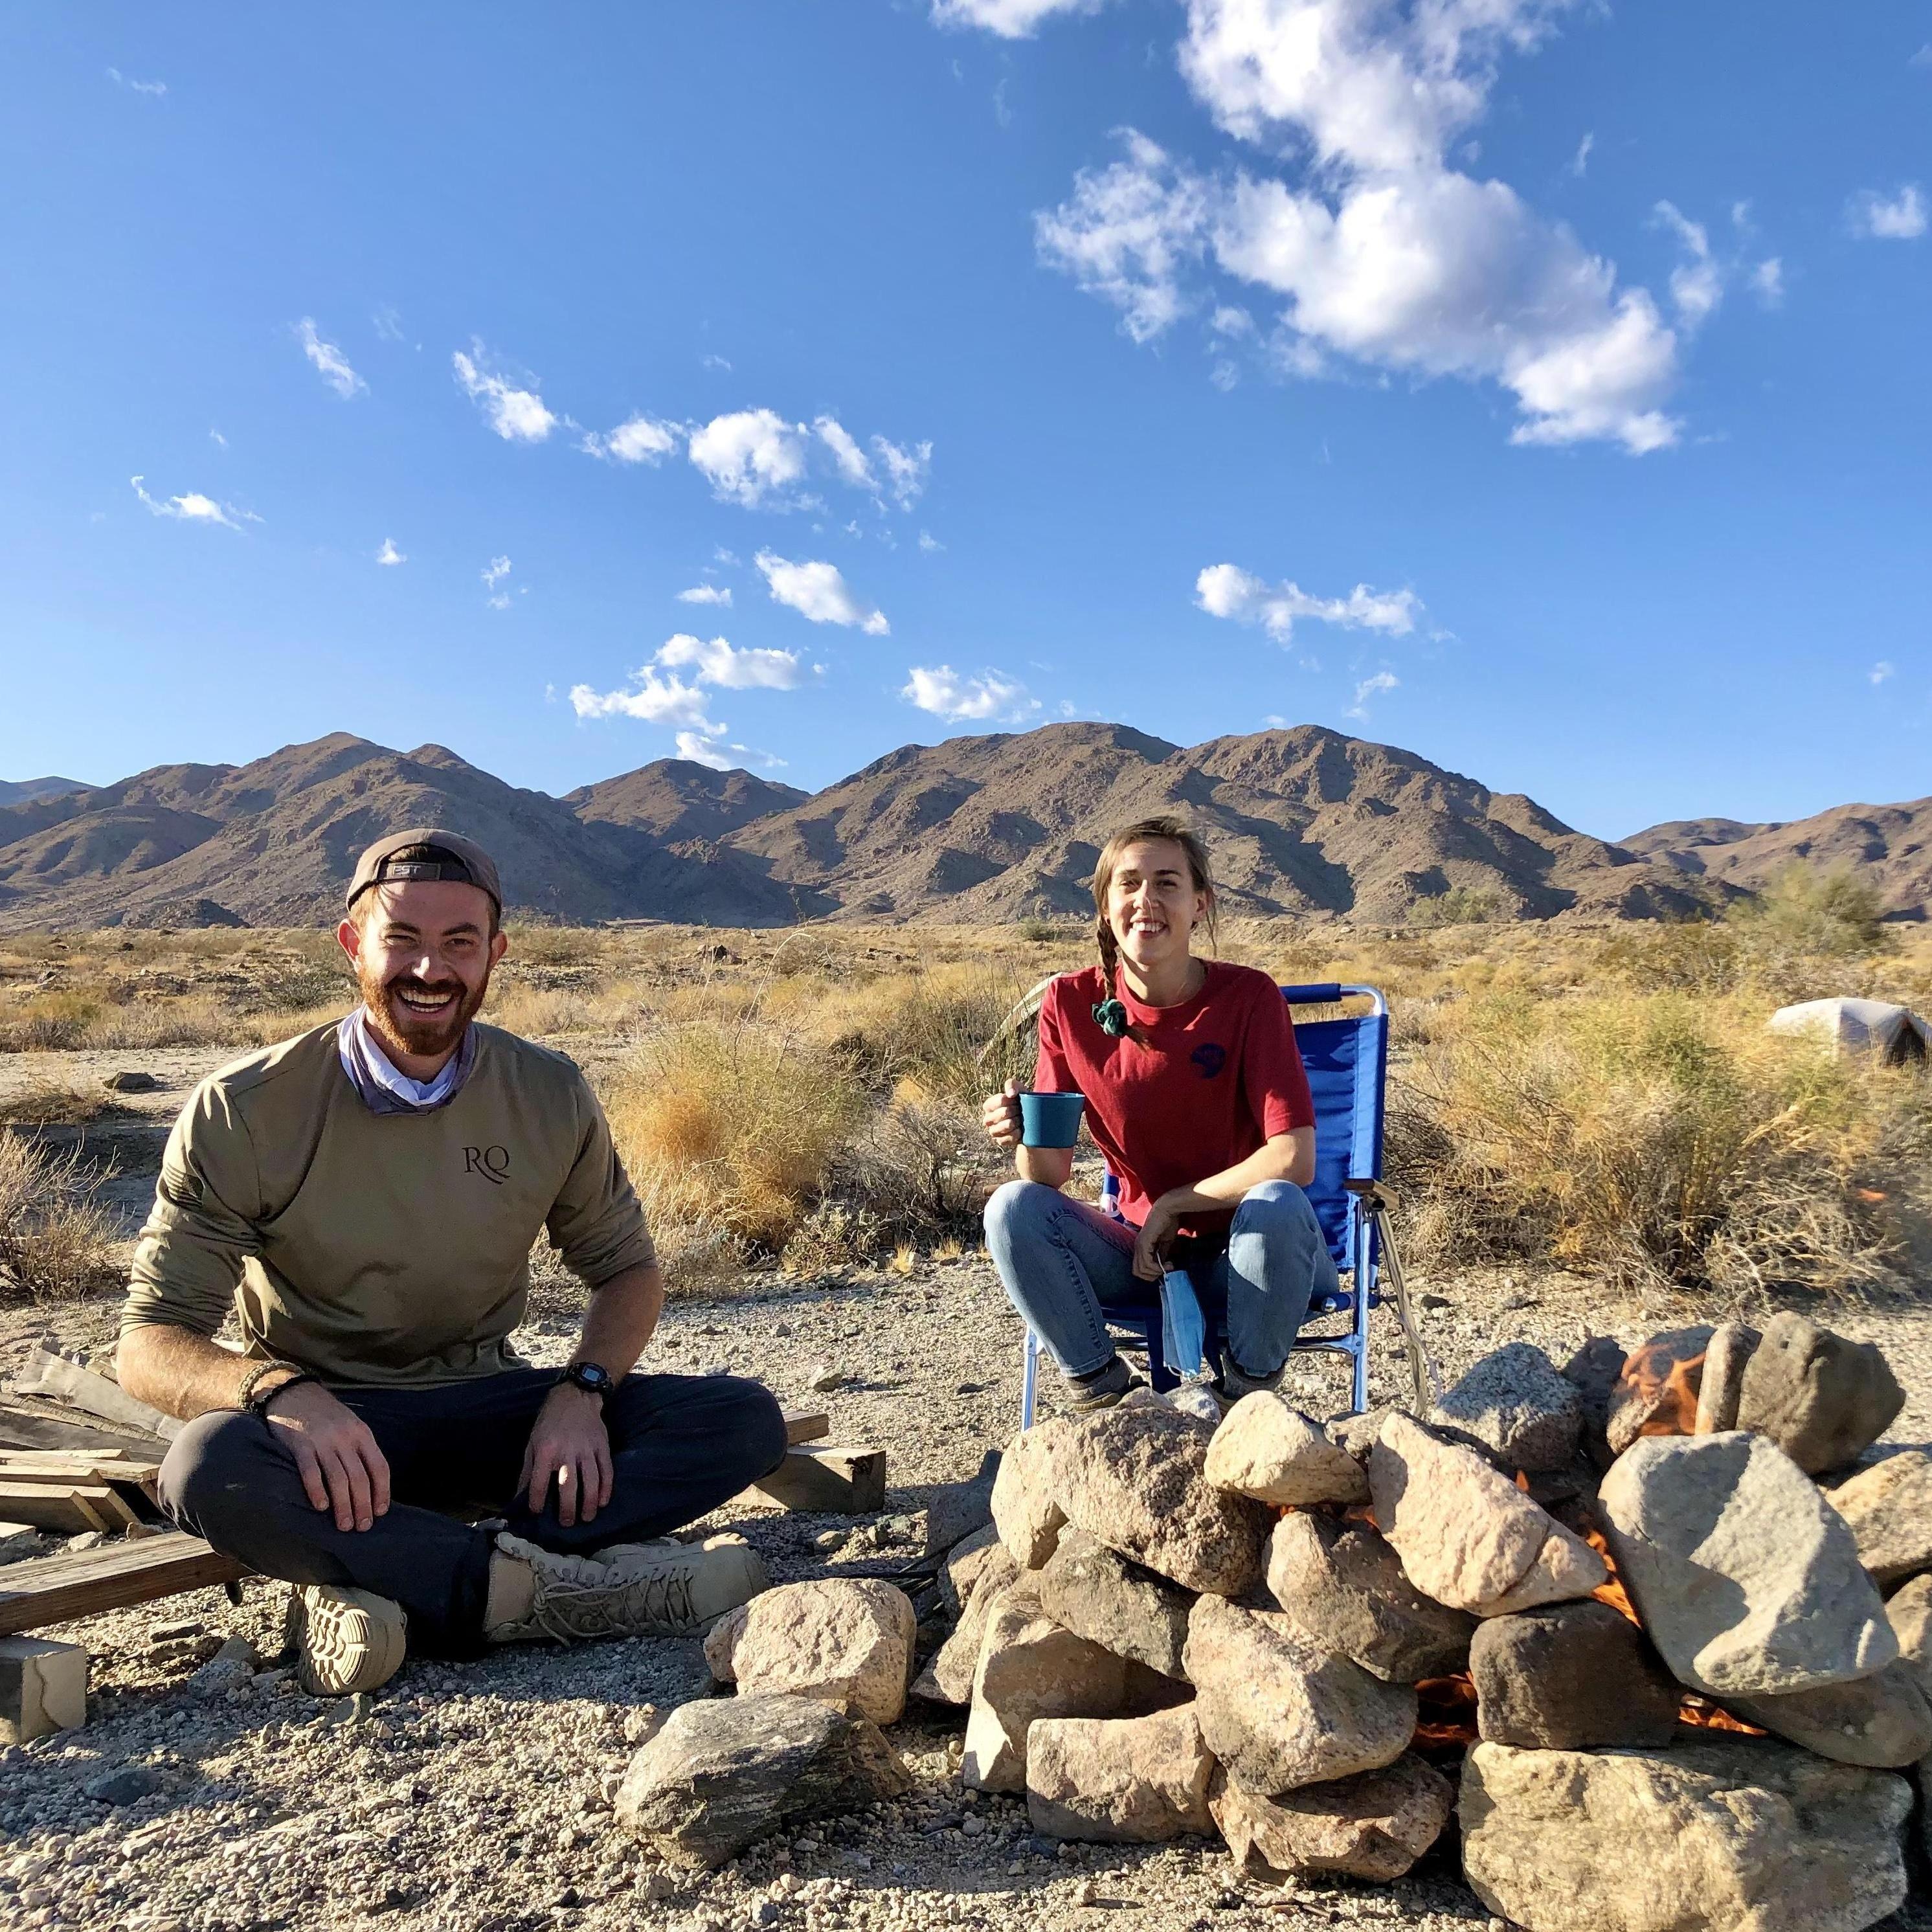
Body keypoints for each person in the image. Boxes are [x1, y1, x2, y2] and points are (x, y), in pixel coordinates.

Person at [120, 828, 789, 1697]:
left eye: (458, 944)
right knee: (207, 1467)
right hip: (332, 1429)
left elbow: (627, 1270)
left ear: (495, 955)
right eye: (402, 939)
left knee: (740, 1421)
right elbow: (148, 1343)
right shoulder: (246, 1110)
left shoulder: (548, 1094)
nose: (429, 970)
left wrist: (581, 1393)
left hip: (488, 1410)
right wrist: (282, 1395)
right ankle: (535, 1587)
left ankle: (397, 1575)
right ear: (353, 945)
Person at [980, 816, 1339, 1413]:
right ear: (1104, 905)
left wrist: (1174, 1203)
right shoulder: (1070, 1004)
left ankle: (1243, 1407)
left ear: (1201, 903)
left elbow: (1292, 1160)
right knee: (1012, 1207)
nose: (1146, 900)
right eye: (1128, 884)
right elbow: (1047, 1176)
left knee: (1276, 1204)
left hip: (1253, 1256)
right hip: (1145, 1260)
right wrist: (1022, 1133)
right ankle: (1114, 1404)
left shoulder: (1249, 998)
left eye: (1167, 883)